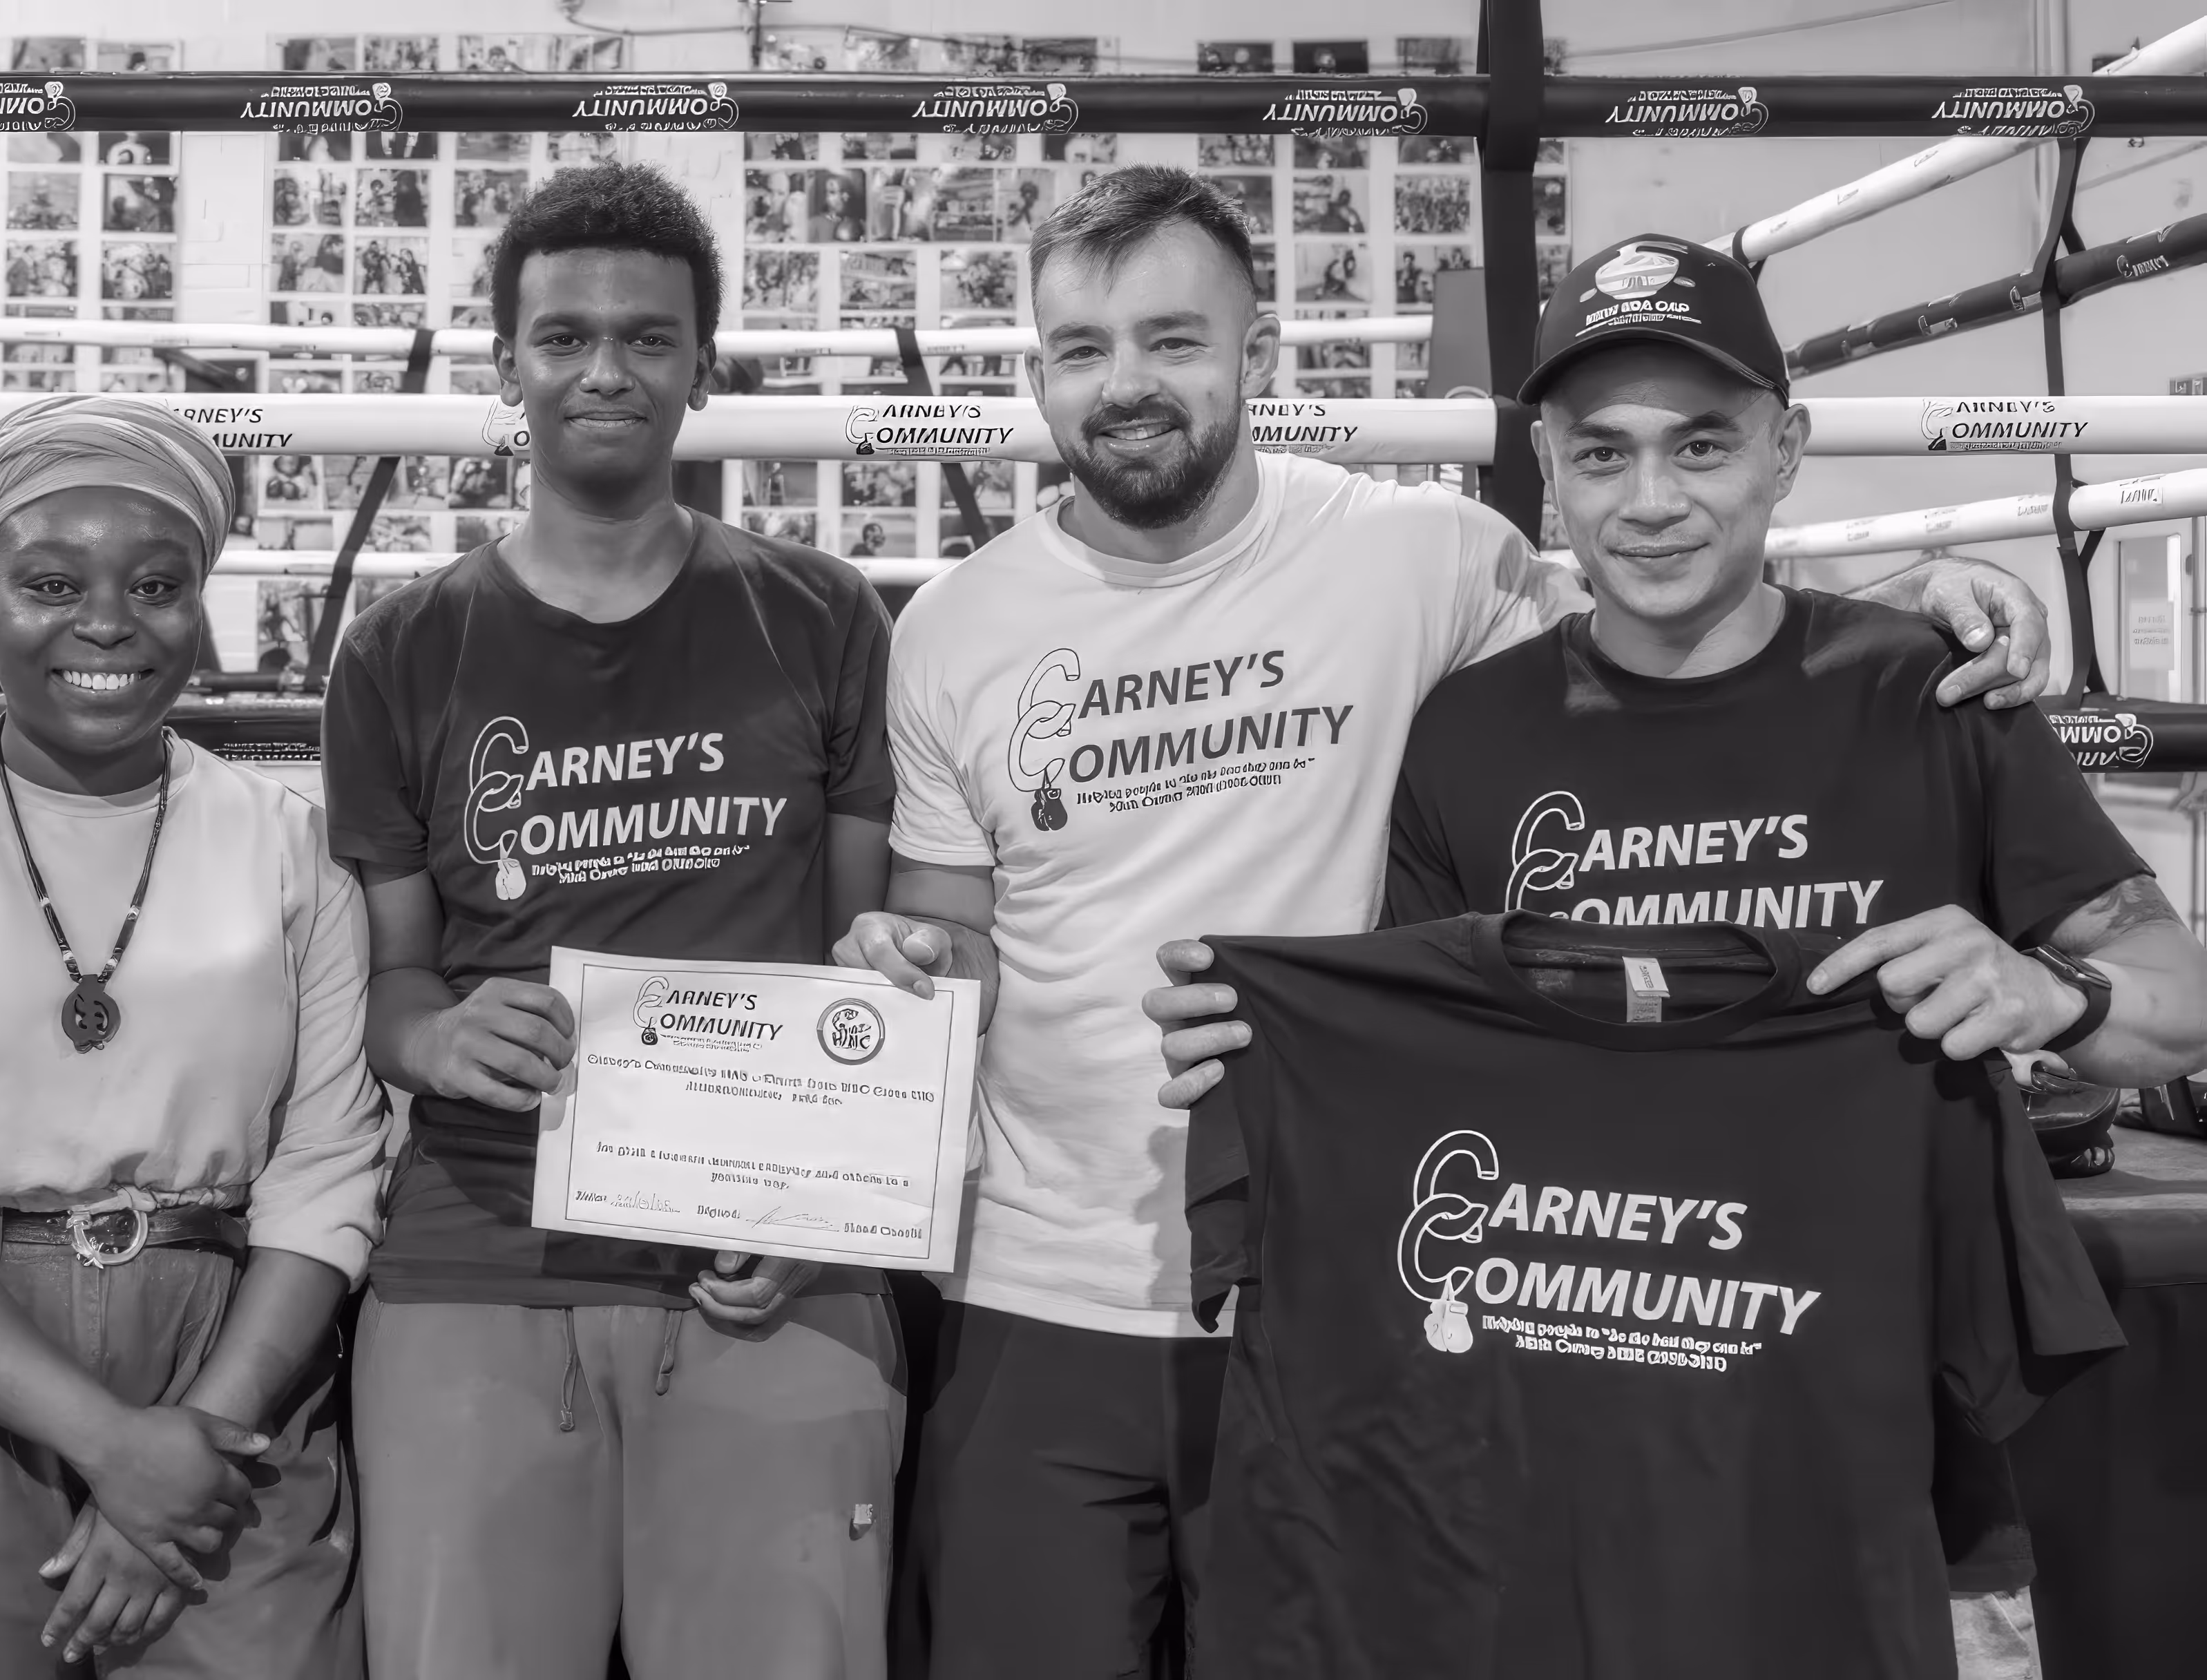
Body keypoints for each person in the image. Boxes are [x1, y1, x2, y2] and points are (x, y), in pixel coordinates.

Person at [834, 171, 2052, 1679]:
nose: (1127, 384)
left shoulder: (1420, 553)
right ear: (1036, 373)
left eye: (1172, 338)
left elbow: (1666, 593)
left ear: (1257, 353)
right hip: (1040, 1283)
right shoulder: (953, 625)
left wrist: (1895, 598)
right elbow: (947, 930)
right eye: (1080, 349)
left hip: (1353, 1286)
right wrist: (904, 964)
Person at [1145, 231, 2207, 1676]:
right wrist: (1259, 1048)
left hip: (1859, 1478)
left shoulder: (1930, 690)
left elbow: (2179, 1007)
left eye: (1700, 447)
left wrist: (2051, 990)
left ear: (1787, 448)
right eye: (1602, 456)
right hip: (1546, 1479)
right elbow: (1423, 1074)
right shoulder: (1466, 731)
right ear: (1546, 465)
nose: (1650, 503)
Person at [323, 161, 904, 1680]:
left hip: (771, 1266)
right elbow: (389, 985)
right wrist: (439, 1033)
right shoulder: (401, 651)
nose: (604, 369)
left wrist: (818, 1213)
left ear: (701, 367)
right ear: (505, 362)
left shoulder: (827, 615)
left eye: (647, 338)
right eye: (564, 335)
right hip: (479, 1262)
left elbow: (865, 972)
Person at [0, 395, 386, 1677]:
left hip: (234, 1385)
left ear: (201, 600)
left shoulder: (287, 848)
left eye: (157, 584)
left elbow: (325, 1170)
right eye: (51, 582)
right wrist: (113, 1443)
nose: (107, 622)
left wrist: (187, 1441)